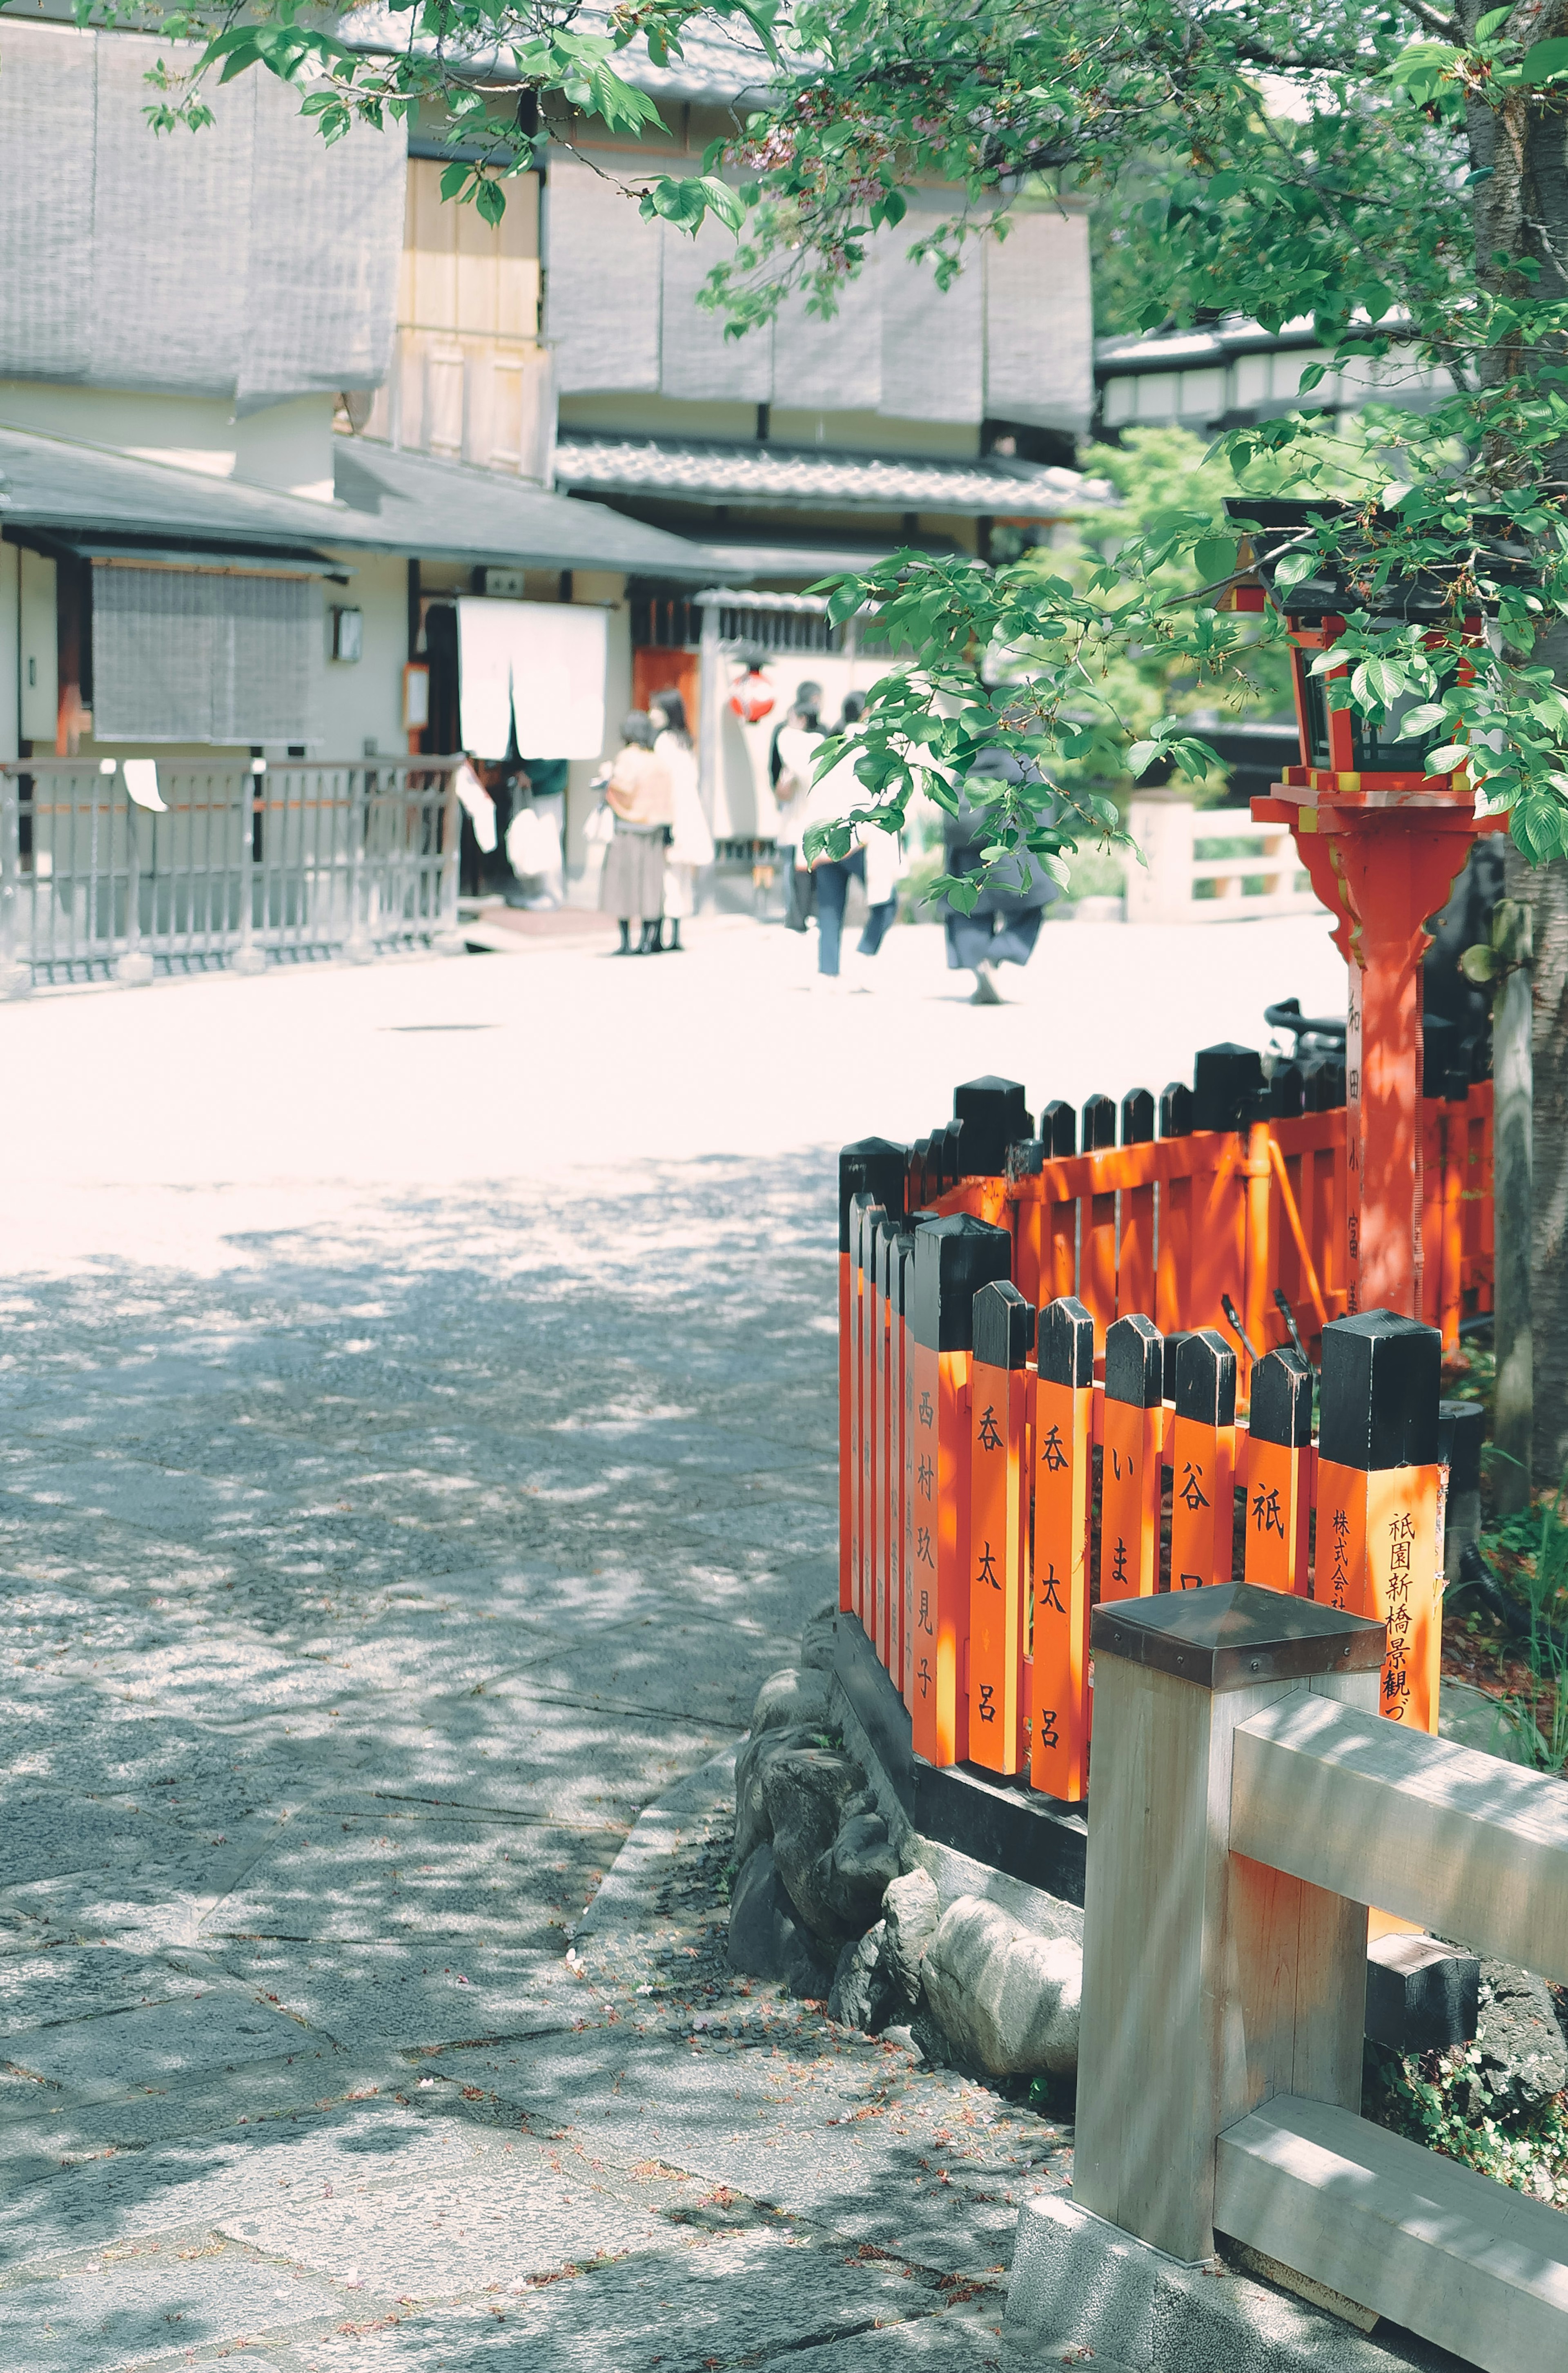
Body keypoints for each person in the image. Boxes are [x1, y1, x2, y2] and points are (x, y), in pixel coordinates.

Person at [940, 747, 1060, 1003]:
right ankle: (994, 958)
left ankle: (979, 966)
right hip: (1007, 852)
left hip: (967, 852)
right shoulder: (1024, 764)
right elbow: (1041, 812)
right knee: (1031, 909)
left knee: (971, 913)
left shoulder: (963, 763)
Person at [798, 692, 900, 988]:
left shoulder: (831, 747)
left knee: (830, 908)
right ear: (868, 712)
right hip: (861, 840)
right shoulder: (875, 748)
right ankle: (864, 954)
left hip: (828, 836)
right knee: (886, 903)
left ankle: (827, 972)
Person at [599, 711, 672, 955]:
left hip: (629, 830)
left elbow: (623, 786)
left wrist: (606, 778)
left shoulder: (627, 757)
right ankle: (646, 941)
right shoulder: (657, 761)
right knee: (651, 886)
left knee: (624, 886)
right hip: (654, 831)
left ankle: (625, 943)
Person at [648, 687, 713, 952]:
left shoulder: (663, 741)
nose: (651, 714)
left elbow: (664, 782)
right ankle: (674, 935)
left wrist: (664, 824)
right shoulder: (686, 741)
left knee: (667, 875)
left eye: (656, 709)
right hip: (690, 813)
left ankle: (659, 936)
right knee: (683, 876)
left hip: (672, 811)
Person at [770, 682, 824, 932]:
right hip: (816, 813)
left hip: (796, 812)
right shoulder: (824, 737)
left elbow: (776, 771)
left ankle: (796, 917)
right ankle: (810, 913)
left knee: (794, 867)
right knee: (810, 865)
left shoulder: (786, 737)